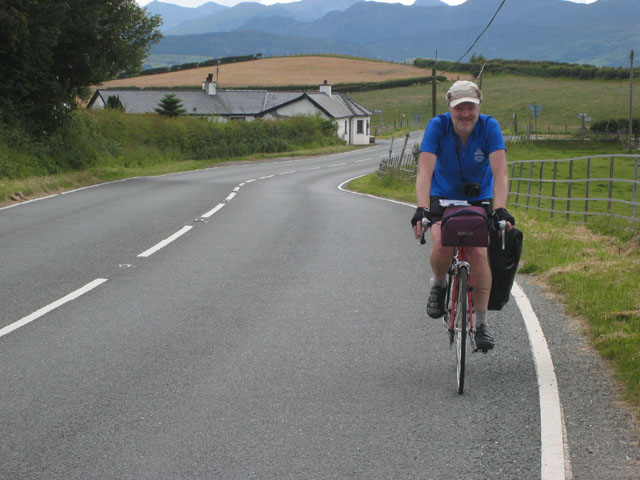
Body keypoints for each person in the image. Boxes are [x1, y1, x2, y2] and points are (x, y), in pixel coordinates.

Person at [410, 80, 515, 350]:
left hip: (479, 198)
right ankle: (440, 283)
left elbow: (500, 172)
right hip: (443, 197)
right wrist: (421, 208)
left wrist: (501, 207)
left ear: (479, 105)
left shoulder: (489, 126)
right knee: (443, 243)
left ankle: (481, 324)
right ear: (450, 107)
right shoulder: (438, 126)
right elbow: (425, 171)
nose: (465, 113)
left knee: (479, 253)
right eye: (459, 108)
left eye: (470, 107)